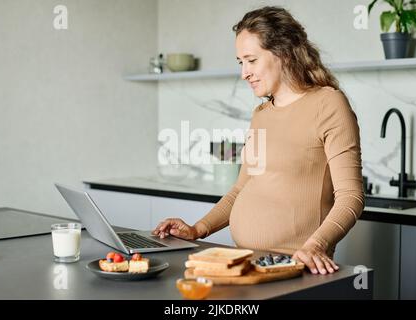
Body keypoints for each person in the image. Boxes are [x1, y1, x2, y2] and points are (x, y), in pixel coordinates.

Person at [152, 6, 364, 275]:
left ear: (283, 53)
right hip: (246, 265)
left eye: (251, 60)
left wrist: (316, 245)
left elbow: (350, 196)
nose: (244, 73)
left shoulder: (328, 104)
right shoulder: (261, 114)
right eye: (241, 63)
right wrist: (197, 229)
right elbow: (242, 188)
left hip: (294, 267)